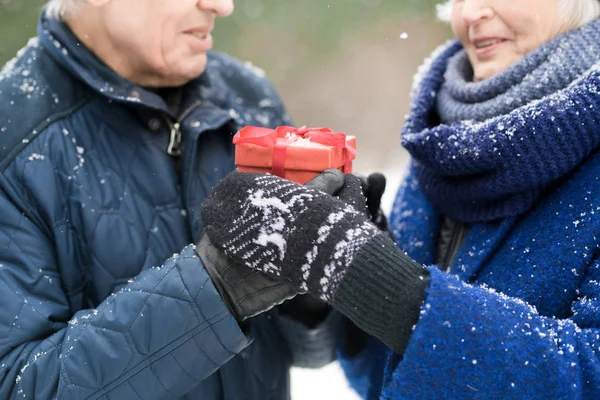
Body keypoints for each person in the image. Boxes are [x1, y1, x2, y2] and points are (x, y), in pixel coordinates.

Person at [200, 0, 600, 398]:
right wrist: (332, 279)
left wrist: (383, 286)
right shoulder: (445, 143)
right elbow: (387, 378)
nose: (471, 13)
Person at [0, 1, 363, 398]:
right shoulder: (12, 142)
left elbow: (313, 352)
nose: (222, 6)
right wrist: (216, 291)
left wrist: (319, 279)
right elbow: (18, 386)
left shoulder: (246, 97)